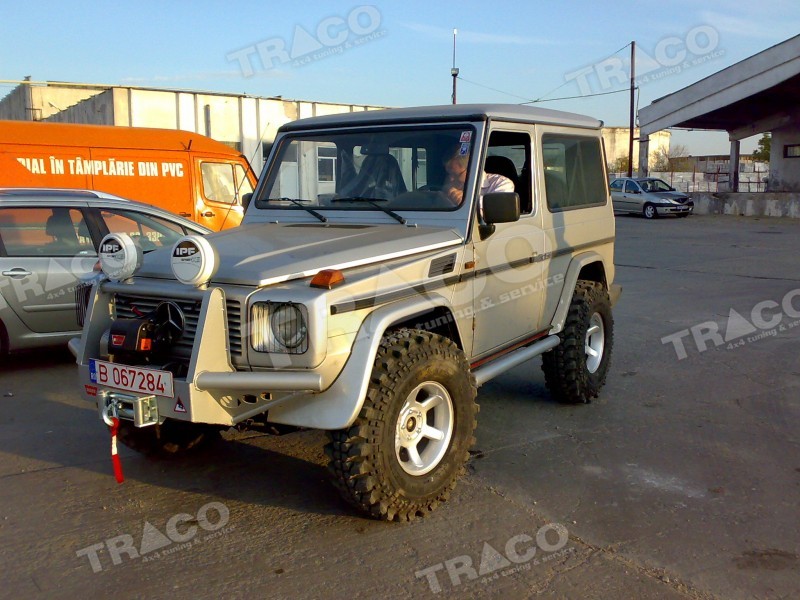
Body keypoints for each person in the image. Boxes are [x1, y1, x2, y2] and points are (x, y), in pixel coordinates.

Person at [441, 143, 514, 207]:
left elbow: (497, 208)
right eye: (449, 174)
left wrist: (467, 200)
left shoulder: (501, 183)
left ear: (472, 168)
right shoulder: (451, 184)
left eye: (455, 174)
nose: (451, 179)